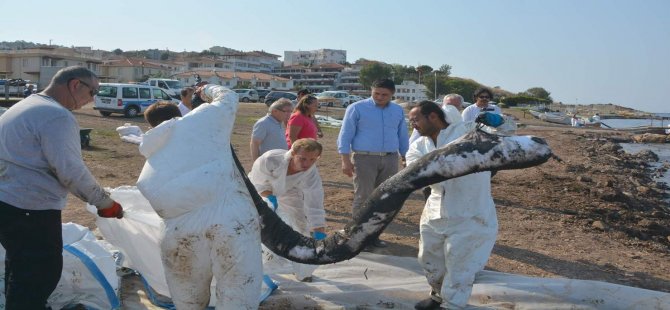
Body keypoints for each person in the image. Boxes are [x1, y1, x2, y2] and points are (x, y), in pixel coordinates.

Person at [0, 66, 124, 309]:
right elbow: (70, 171)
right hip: (30, 209)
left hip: (8, 202)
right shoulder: (56, 115)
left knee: (20, 268)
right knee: (40, 275)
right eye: (92, 92)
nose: (92, 100)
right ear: (75, 85)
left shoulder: (28, 105)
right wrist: (105, 203)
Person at [406, 100, 498, 310]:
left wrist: (497, 122)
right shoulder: (418, 146)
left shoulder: (468, 132)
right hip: (435, 211)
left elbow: (503, 135)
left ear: (433, 116)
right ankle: (438, 295)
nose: (413, 125)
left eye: (416, 119)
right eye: (411, 121)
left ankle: (452, 305)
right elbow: (415, 172)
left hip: (470, 212)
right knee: (428, 259)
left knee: (460, 265)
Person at [337, 78, 409, 248]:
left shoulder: (398, 111)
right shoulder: (356, 108)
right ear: (371, 90)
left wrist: (406, 156)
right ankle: (357, 237)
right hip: (364, 159)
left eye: (385, 94)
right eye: (376, 93)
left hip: (390, 158)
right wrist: (345, 160)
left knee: (385, 198)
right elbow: (345, 134)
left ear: (392, 94)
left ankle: (373, 236)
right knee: (363, 196)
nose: (380, 97)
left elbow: (402, 135)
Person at [248, 138, 326, 282]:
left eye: (312, 160)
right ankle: (253, 265)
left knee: (301, 224)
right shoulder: (270, 159)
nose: (307, 164)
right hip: (258, 190)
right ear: (293, 153)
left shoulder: (311, 173)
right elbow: (256, 182)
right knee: (256, 225)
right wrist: (268, 197)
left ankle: (303, 269)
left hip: (288, 190)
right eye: (302, 159)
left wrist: (318, 228)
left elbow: (314, 200)